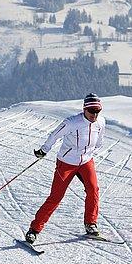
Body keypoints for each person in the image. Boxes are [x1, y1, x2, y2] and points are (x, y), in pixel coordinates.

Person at [25, 93, 107, 243]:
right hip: (67, 163)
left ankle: (91, 224)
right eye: (92, 111)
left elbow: (99, 142)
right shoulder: (71, 122)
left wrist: (88, 153)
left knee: (93, 189)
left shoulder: (101, 122)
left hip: (86, 161)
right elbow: (54, 135)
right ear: (84, 109)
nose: (95, 114)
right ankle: (34, 230)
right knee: (56, 197)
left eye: (98, 111)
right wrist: (44, 150)